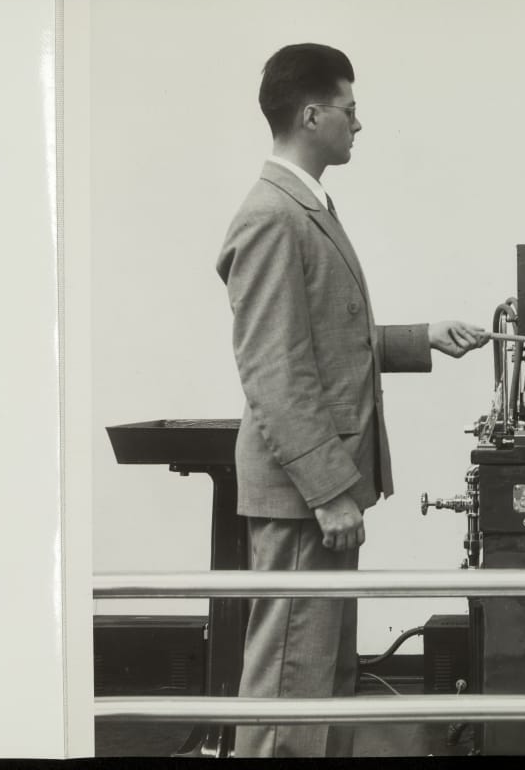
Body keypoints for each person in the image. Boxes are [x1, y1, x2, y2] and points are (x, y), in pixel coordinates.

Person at [215, 43, 488, 758]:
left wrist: (423, 338)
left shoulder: (304, 207)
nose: (359, 124)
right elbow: (275, 370)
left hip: (320, 487)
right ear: (312, 116)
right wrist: (330, 491)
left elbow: (324, 339)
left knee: (321, 679)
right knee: (289, 687)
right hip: (306, 494)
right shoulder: (274, 215)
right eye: (350, 109)